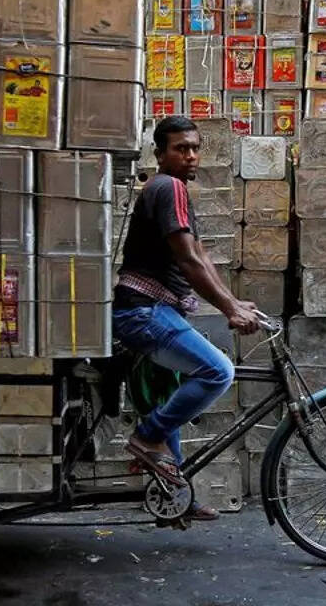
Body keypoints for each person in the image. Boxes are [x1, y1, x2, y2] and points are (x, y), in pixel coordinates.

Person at [113, 115, 260, 520]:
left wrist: (234, 302)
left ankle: (175, 499)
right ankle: (147, 438)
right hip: (145, 312)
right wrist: (229, 309)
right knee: (218, 372)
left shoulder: (171, 190)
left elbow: (200, 257)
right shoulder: (169, 187)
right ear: (160, 154)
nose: (191, 155)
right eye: (181, 148)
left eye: (195, 148)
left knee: (167, 400)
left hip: (150, 310)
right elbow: (188, 260)